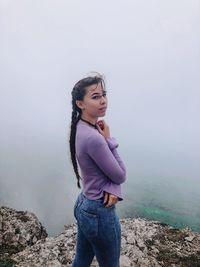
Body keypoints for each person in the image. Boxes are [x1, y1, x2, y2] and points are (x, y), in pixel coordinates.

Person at [69, 73, 126, 267]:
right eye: (95, 97)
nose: (103, 101)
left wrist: (114, 189)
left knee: (81, 261)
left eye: (104, 94)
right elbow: (120, 175)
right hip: (98, 211)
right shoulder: (94, 138)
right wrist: (109, 140)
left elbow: (99, 173)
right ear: (80, 104)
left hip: (84, 203)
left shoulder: (79, 127)